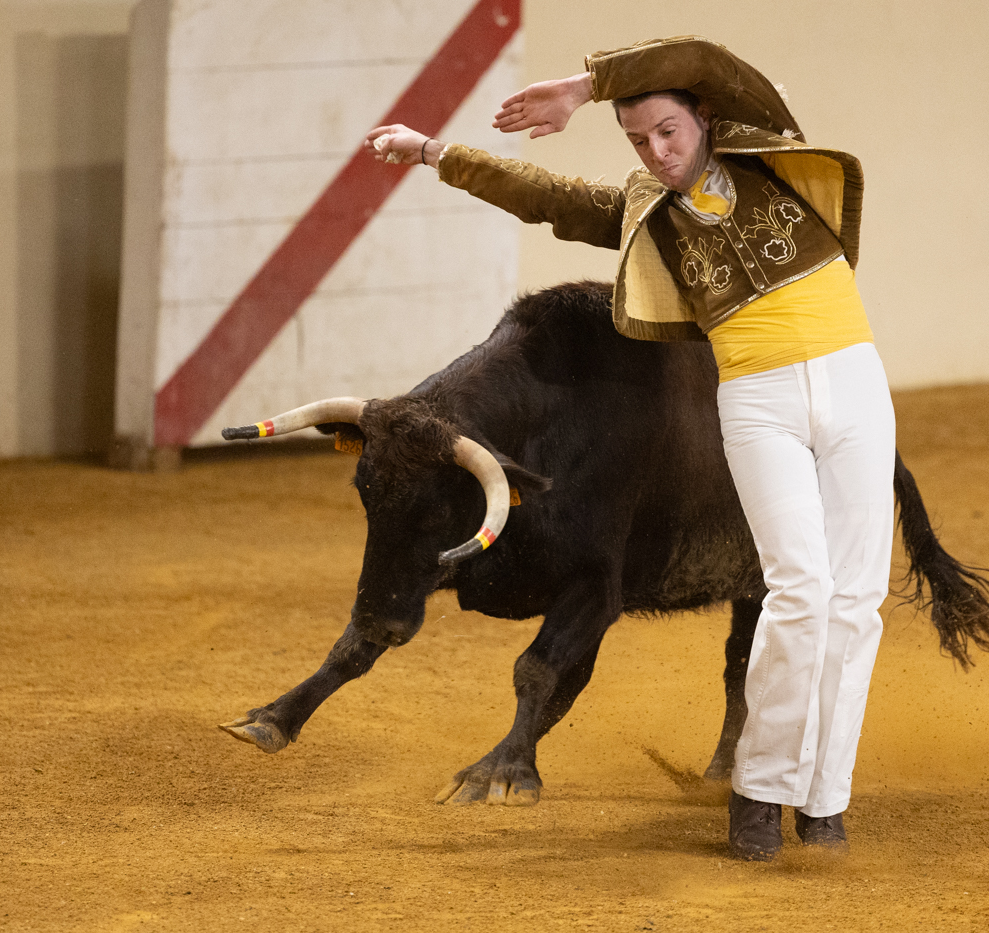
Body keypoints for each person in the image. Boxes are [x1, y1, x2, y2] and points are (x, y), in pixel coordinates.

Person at [365, 35, 895, 862]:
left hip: (855, 381)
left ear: (707, 119)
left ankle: (825, 796)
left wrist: (585, 86)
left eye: (668, 132)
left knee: (855, 601)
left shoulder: (769, 145)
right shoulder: (648, 215)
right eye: (638, 141)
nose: (657, 152)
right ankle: (761, 790)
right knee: (798, 586)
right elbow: (540, 194)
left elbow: (702, 56)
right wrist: (436, 152)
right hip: (756, 398)